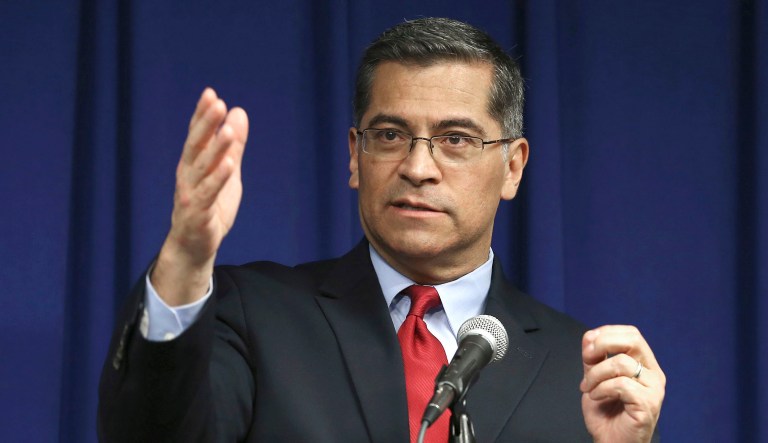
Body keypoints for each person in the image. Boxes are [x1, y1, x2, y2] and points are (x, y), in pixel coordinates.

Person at [98, 17, 665, 442]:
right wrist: (185, 260)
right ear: (355, 155)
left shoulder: (584, 370)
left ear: (512, 167)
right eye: (390, 135)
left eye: (456, 140)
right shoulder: (249, 314)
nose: (418, 167)